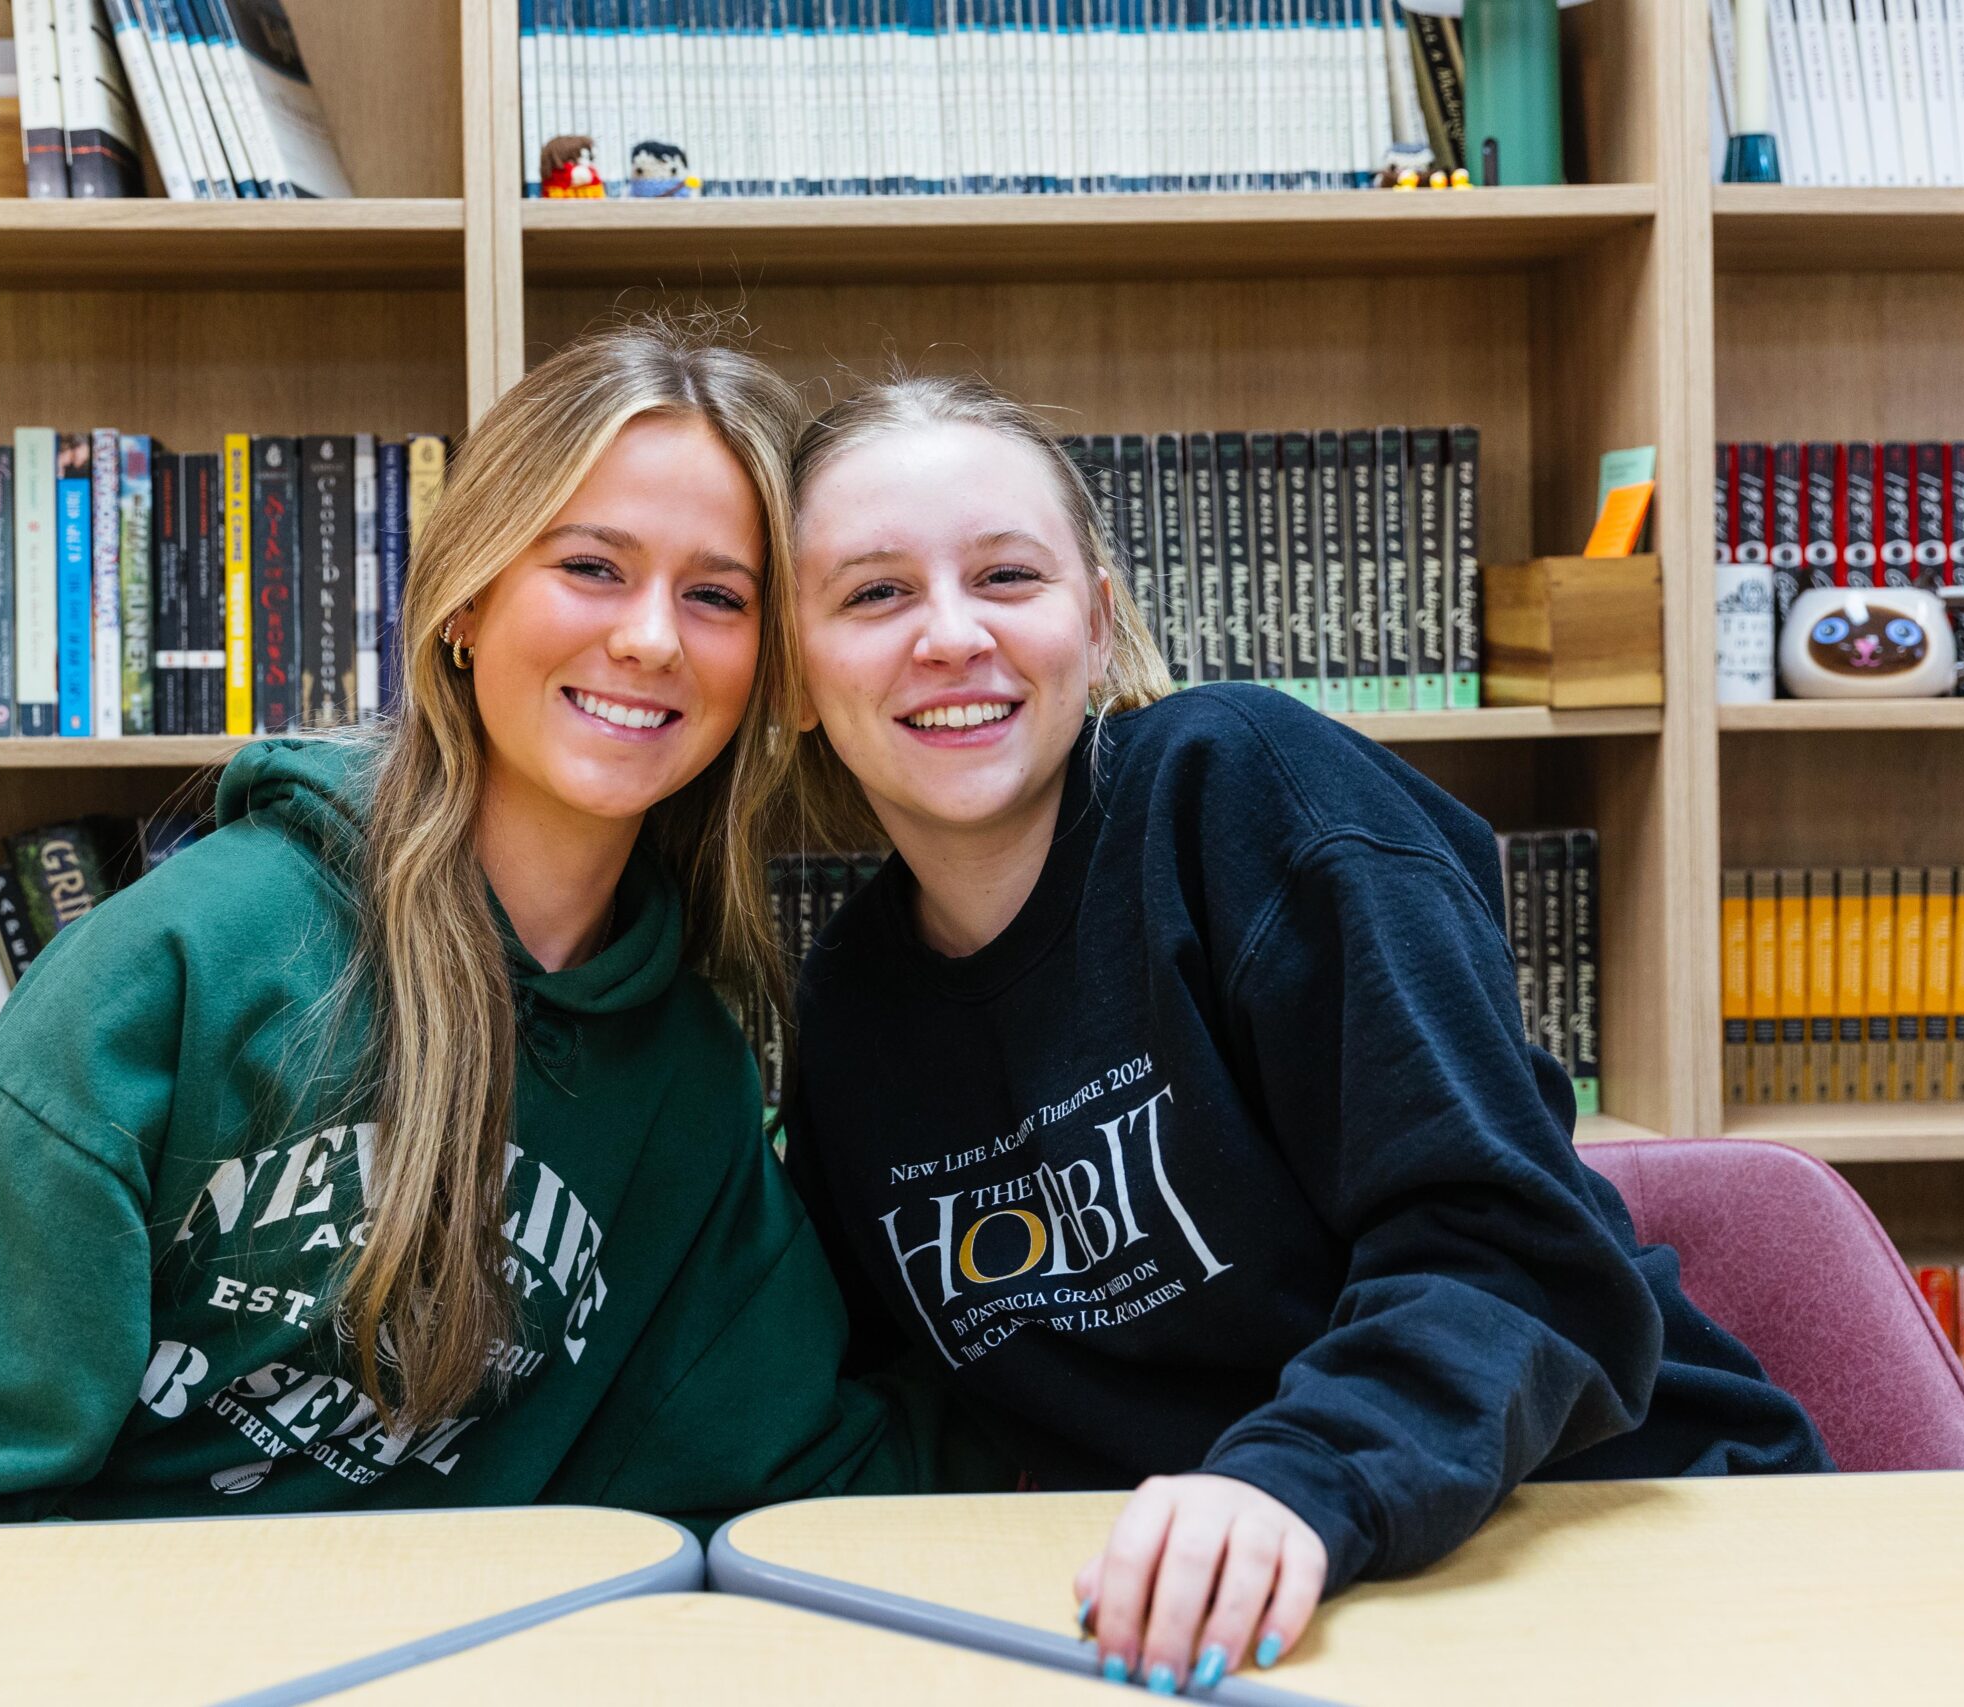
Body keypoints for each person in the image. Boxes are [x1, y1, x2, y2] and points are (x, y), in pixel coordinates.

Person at [0, 319, 963, 1536]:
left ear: (764, 668)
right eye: (593, 567)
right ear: (469, 602)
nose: (653, 639)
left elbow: (773, 1472)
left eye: (717, 595)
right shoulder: (194, 956)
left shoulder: (690, 1077)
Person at [779, 373, 1831, 1695]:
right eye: (873, 595)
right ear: (796, 678)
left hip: (1603, 1538)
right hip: (1230, 1627)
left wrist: (1291, 1480)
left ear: (1096, 622)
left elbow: (1515, 1259)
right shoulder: (847, 1016)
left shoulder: (1242, 793)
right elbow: (895, 1391)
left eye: (1007, 577)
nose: (949, 635)